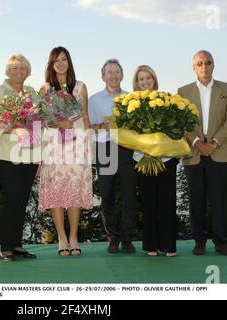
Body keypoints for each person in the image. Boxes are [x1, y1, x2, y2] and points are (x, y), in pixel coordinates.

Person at [178, 50, 227, 256]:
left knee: (219, 198)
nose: (204, 66)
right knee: (197, 199)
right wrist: (197, 143)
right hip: (194, 153)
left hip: (219, 151)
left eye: (208, 62)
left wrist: (214, 143)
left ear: (213, 65)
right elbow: (183, 122)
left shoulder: (226, 89)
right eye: (200, 63)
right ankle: (199, 241)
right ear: (193, 67)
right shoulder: (183, 92)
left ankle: (222, 242)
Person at [0, 54, 38, 261]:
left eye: (23, 68)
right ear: (7, 71)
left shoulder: (32, 93)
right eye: (14, 68)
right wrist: (10, 129)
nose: (19, 72)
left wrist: (38, 157)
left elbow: (39, 123)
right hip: (7, 154)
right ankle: (5, 246)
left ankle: (17, 244)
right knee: (12, 199)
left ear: (28, 71)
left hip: (30, 156)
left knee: (22, 200)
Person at [38, 46, 92, 256]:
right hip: (53, 146)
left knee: (74, 190)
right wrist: (58, 125)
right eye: (56, 60)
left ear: (69, 62)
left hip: (77, 145)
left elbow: (85, 116)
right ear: (51, 65)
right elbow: (41, 120)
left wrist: (89, 146)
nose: (60, 63)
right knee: (57, 191)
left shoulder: (80, 87)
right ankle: (61, 236)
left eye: (63, 59)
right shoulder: (45, 89)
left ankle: (74, 236)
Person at [88, 59, 137, 254]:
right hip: (104, 148)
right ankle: (113, 237)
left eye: (117, 72)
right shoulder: (94, 100)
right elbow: (89, 126)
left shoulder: (131, 98)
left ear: (122, 76)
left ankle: (127, 238)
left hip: (126, 148)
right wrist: (102, 126)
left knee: (128, 195)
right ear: (103, 76)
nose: (114, 75)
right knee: (107, 195)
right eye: (110, 72)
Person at [133, 65, 179, 257]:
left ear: (154, 80)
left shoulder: (167, 101)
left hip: (166, 158)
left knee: (167, 202)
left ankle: (169, 245)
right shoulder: (128, 104)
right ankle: (150, 245)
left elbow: (175, 128)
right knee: (148, 203)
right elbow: (128, 133)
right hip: (142, 158)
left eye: (148, 78)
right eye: (141, 79)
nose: (145, 82)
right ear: (136, 83)